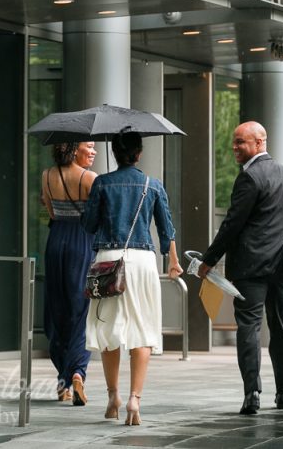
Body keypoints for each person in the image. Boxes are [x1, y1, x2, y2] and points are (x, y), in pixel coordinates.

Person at [197, 121, 283, 415]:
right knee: (281, 327)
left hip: (252, 265)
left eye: (241, 142)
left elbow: (232, 224)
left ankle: (252, 393)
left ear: (259, 143)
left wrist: (208, 260)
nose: (234, 147)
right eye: (234, 141)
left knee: (250, 327)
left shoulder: (249, 178)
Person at [82, 131, 183, 426]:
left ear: (114, 153)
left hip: (108, 262)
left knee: (108, 329)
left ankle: (112, 395)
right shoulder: (153, 185)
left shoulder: (101, 183)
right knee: (142, 328)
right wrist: (174, 262)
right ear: (138, 154)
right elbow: (167, 230)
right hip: (141, 263)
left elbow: (89, 224)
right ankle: (134, 399)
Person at [41, 141, 98, 406]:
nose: (94, 151)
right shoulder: (90, 178)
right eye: (90, 146)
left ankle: (63, 379)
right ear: (75, 149)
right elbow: (97, 219)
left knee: (58, 309)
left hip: (56, 241)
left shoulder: (47, 175)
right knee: (81, 310)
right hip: (82, 243)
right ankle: (76, 374)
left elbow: (51, 212)